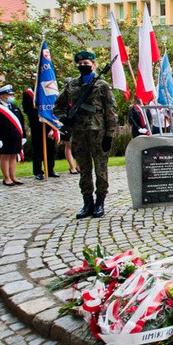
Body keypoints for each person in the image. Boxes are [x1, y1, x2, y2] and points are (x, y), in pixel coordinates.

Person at [54, 50, 118, 219]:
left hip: (99, 132)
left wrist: (110, 134)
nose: (83, 66)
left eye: (87, 64)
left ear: (94, 64)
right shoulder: (72, 85)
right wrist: (64, 119)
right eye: (80, 64)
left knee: (101, 169)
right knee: (84, 169)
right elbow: (58, 106)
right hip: (79, 133)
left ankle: (100, 202)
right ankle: (87, 202)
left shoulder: (102, 85)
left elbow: (111, 111)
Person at [0, 84, 26, 187]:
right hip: (4, 138)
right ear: (2, 96)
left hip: (15, 137)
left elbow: (21, 123)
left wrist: (24, 136)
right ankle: (6, 178)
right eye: (9, 95)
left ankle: (13, 176)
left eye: (12, 95)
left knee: (13, 156)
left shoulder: (14, 107)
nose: (11, 97)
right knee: (5, 157)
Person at [22, 86, 59, 180]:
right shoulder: (28, 94)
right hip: (37, 124)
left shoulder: (47, 90)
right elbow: (27, 109)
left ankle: (50, 169)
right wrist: (39, 116)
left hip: (49, 124)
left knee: (51, 148)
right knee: (38, 149)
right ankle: (38, 171)